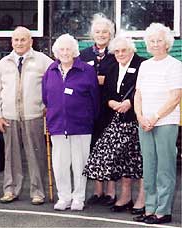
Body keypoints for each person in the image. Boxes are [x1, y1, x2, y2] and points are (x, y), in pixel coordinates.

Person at [0, 26, 53, 205]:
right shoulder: (4, 63)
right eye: (16, 40)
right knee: (11, 156)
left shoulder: (43, 61)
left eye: (23, 39)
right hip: (9, 117)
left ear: (31, 41)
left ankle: (38, 192)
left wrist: (48, 106)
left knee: (35, 155)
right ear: (11, 42)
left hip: (34, 116)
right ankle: (10, 190)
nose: (19, 43)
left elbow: (54, 85)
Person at [82, 36, 146, 214]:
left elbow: (146, 89)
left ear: (132, 50)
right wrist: (110, 102)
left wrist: (131, 103)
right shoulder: (112, 67)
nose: (120, 54)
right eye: (116, 51)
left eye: (123, 50)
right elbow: (106, 92)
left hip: (136, 119)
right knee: (124, 161)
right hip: (117, 120)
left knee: (139, 161)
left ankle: (142, 198)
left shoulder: (143, 64)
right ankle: (125, 196)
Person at [42, 34, 100, 211]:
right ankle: (64, 197)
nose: (65, 53)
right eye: (61, 49)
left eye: (68, 49)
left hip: (81, 126)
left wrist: (88, 119)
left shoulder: (86, 71)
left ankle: (78, 198)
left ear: (75, 51)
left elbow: (95, 99)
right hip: (58, 125)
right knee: (60, 165)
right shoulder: (50, 70)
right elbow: (45, 97)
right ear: (56, 52)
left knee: (80, 164)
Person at [132, 23, 181, 225]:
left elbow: (176, 97)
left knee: (165, 168)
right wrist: (140, 117)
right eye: (152, 41)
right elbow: (138, 94)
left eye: (159, 40)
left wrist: (154, 117)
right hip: (145, 123)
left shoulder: (175, 65)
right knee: (149, 167)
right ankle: (150, 208)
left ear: (167, 43)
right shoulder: (145, 65)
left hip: (165, 123)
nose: (155, 44)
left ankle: (163, 211)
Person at [79, 14, 118, 206]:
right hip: (89, 109)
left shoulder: (116, 53)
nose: (101, 35)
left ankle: (111, 192)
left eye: (105, 31)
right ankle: (98, 191)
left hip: (111, 109)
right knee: (94, 149)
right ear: (92, 34)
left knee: (111, 150)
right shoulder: (84, 55)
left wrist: (102, 81)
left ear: (111, 34)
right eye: (97, 31)